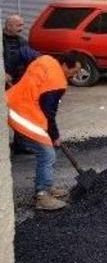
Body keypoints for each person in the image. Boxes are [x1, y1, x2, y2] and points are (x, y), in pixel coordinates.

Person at [6, 52, 81, 210]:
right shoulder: (57, 82)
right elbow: (48, 112)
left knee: (46, 150)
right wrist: (55, 135)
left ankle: (46, 185)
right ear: (65, 65)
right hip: (22, 113)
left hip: (13, 101)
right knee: (47, 153)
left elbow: (22, 52)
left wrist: (7, 71)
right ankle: (42, 195)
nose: (74, 76)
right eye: (73, 71)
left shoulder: (46, 59)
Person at [4, 15, 40, 89]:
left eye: (22, 25)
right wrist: (2, 74)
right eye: (18, 26)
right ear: (8, 26)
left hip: (18, 80)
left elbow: (28, 60)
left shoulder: (23, 42)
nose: (21, 29)